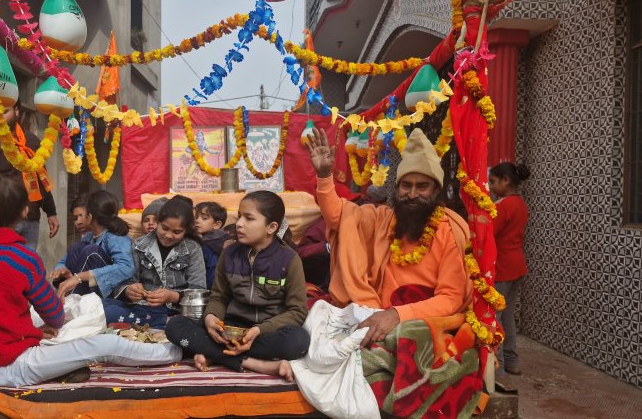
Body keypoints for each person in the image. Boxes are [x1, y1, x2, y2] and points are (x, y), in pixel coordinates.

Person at [0, 172, 180, 388]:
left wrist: (35, 330)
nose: (80, 220)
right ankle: (175, 351)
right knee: (105, 344)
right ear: (24, 210)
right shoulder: (23, 258)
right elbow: (55, 316)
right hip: (13, 364)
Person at [304, 127, 471, 348]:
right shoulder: (384, 220)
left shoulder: (448, 230)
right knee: (312, 324)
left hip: (419, 322)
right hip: (372, 313)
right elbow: (339, 217)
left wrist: (396, 315)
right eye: (406, 186)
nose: (412, 195)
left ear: (435, 192)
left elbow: (451, 298)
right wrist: (324, 177)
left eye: (422, 187)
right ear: (397, 188)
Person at [166, 191, 310, 380]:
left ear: (271, 227)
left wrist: (259, 330)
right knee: (174, 325)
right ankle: (255, 363)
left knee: (298, 341)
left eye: (249, 218)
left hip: (266, 332)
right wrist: (211, 318)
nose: (239, 224)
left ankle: (213, 354)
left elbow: (297, 311)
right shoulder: (230, 253)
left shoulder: (289, 259)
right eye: (240, 217)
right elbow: (219, 297)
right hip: (230, 328)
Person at [107, 198, 206, 328]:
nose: (168, 235)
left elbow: (199, 292)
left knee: (189, 323)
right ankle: (160, 321)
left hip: (175, 312)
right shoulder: (139, 245)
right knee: (102, 307)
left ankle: (164, 322)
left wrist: (173, 296)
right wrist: (128, 291)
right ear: (158, 223)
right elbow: (123, 283)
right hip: (141, 308)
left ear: (185, 230)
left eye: (177, 232)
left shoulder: (193, 249)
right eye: (164, 228)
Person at [0, 100, 59, 250]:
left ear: (16, 111)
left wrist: (51, 212)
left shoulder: (31, 142)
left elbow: (41, 178)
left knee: (27, 266)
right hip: (1, 219)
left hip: (30, 218)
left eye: (5, 112)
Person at [50, 190, 134, 300]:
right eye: (76, 218)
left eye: (82, 215)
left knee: (92, 251)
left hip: (113, 291)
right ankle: (70, 297)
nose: (79, 221)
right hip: (89, 288)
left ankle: (69, 298)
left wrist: (78, 277)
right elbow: (64, 260)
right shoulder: (88, 237)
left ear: (89, 216)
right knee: (76, 247)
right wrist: (62, 269)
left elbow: (126, 267)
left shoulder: (115, 237)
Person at [489, 162, 530, 376]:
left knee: (494, 317)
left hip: (503, 268)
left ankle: (499, 366)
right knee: (507, 317)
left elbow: (489, 235)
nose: (491, 186)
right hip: (517, 265)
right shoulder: (520, 204)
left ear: (506, 181)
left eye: (494, 182)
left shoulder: (502, 206)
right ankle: (512, 362)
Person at [194, 201, 228, 289]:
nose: (197, 221)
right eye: (196, 217)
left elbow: (212, 270)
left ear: (216, 225)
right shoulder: (222, 238)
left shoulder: (208, 244)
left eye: (204, 218)